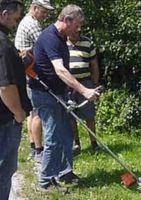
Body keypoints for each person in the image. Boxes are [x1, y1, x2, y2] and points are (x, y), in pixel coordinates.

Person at [29, 4, 100, 190]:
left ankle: (65, 172)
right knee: (53, 137)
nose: (79, 29)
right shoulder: (50, 38)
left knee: (67, 134)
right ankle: (45, 181)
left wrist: (71, 91)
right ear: (66, 20)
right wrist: (85, 90)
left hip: (59, 92)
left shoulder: (62, 37)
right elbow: (60, 69)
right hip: (44, 94)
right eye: (76, 25)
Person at [15, 0, 54, 162]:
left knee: (32, 111)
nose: (45, 15)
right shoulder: (32, 24)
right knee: (37, 111)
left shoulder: (27, 21)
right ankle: (39, 150)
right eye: (43, 11)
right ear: (35, 8)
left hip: (25, 72)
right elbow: (45, 45)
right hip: (31, 73)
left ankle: (33, 145)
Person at [0, 0, 32, 199]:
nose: (16, 23)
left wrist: (17, 60)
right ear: (4, 14)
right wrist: (18, 113)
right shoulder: (2, 43)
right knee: (4, 171)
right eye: (16, 18)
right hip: (5, 120)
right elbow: (4, 86)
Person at [67, 32, 100, 152]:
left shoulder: (87, 42)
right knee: (71, 115)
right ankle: (76, 144)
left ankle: (94, 143)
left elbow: (94, 64)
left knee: (89, 114)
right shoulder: (62, 43)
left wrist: (95, 84)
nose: (76, 34)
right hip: (68, 84)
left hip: (85, 82)